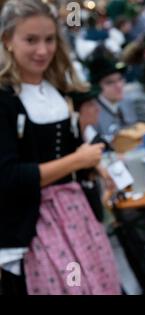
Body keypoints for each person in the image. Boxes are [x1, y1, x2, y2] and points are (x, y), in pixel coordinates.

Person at [0, 0, 120, 295]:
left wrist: (96, 167)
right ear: (7, 41)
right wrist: (78, 160)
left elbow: (70, 151)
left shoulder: (58, 91)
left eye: (49, 39)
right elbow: (8, 178)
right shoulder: (4, 100)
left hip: (76, 214)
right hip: (32, 225)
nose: (43, 50)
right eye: (31, 40)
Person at [87, 54, 136, 140]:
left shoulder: (127, 101)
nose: (119, 86)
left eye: (120, 79)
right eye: (110, 82)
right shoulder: (92, 112)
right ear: (97, 87)